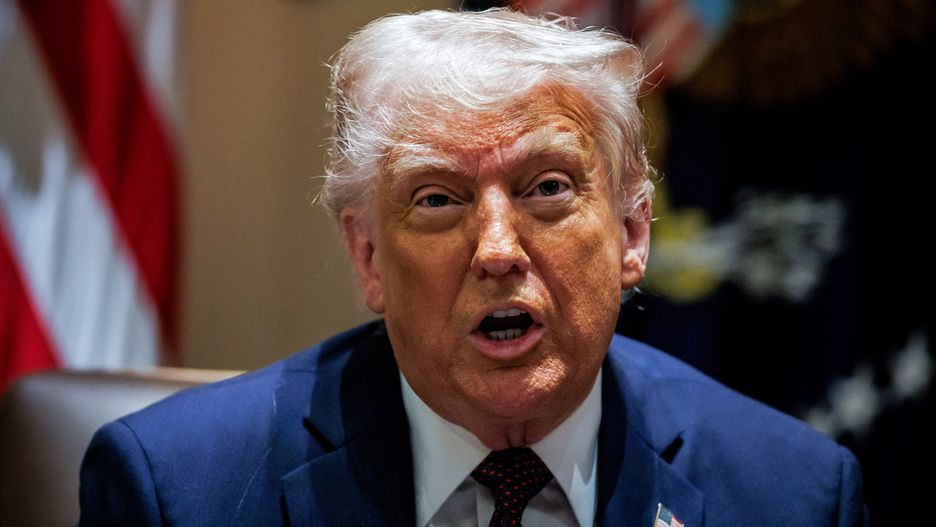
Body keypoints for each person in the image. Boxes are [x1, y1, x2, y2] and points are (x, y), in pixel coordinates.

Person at [78, 8, 868, 527]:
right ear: (367, 254)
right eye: (437, 198)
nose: (496, 249)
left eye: (547, 188)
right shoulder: (179, 491)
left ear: (632, 232)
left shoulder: (791, 495)